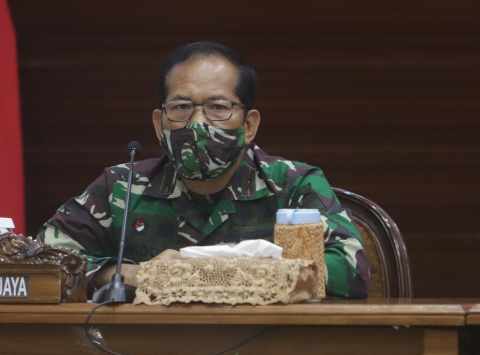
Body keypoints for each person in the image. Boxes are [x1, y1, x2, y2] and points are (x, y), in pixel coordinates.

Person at [38, 41, 369, 299]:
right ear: (159, 123)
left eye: (217, 108)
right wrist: (129, 274)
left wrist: (217, 271)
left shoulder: (293, 185)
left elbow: (351, 270)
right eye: (182, 108)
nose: (197, 123)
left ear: (249, 124)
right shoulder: (121, 188)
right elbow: (43, 262)